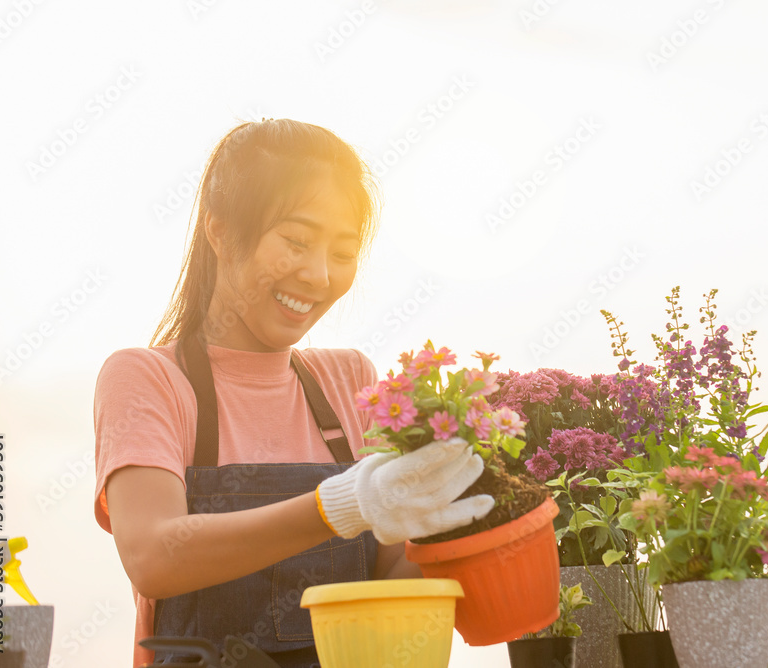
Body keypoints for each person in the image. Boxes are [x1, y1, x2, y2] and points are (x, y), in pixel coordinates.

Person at [92, 119, 494, 667]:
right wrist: (340, 504)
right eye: (296, 242)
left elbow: (390, 586)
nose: (318, 275)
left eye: (343, 252)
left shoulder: (350, 380)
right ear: (220, 230)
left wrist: (456, 525)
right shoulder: (147, 379)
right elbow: (154, 555)